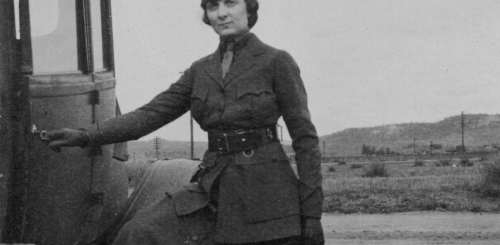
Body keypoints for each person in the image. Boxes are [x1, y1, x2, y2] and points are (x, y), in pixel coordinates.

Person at [46, 0, 324, 244]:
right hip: (212, 186)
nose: (221, 13)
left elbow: (306, 139)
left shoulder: (276, 62)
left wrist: (311, 214)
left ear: (249, 8)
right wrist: (84, 134)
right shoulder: (200, 70)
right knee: (137, 234)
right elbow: (149, 115)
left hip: (266, 193)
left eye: (231, 3)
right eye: (212, 6)